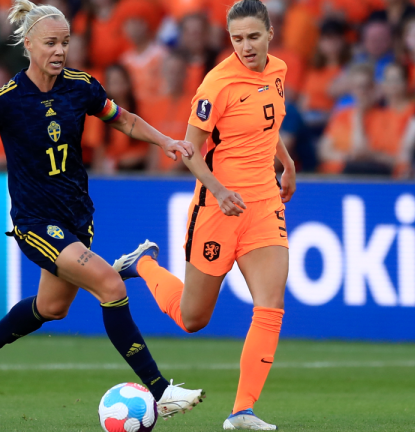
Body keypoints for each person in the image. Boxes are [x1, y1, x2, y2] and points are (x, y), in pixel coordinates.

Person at [0, 0, 205, 419]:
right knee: (110, 286)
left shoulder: (81, 86)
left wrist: (165, 141)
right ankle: (161, 391)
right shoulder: (6, 98)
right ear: (29, 45)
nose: (59, 50)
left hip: (77, 215)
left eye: (65, 42)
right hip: (35, 222)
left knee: (52, 308)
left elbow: (122, 119)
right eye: (51, 42)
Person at [112, 0, 295, 429]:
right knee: (193, 318)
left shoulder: (278, 71)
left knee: (271, 305)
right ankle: (143, 264)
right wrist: (218, 190)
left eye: (253, 37)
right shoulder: (217, 84)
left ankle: (242, 411)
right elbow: (190, 149)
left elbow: (267, 126)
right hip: (217, 208)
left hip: (264, 205)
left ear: (270, 34)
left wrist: (286, 163)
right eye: (237, 38)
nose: (246, 46)